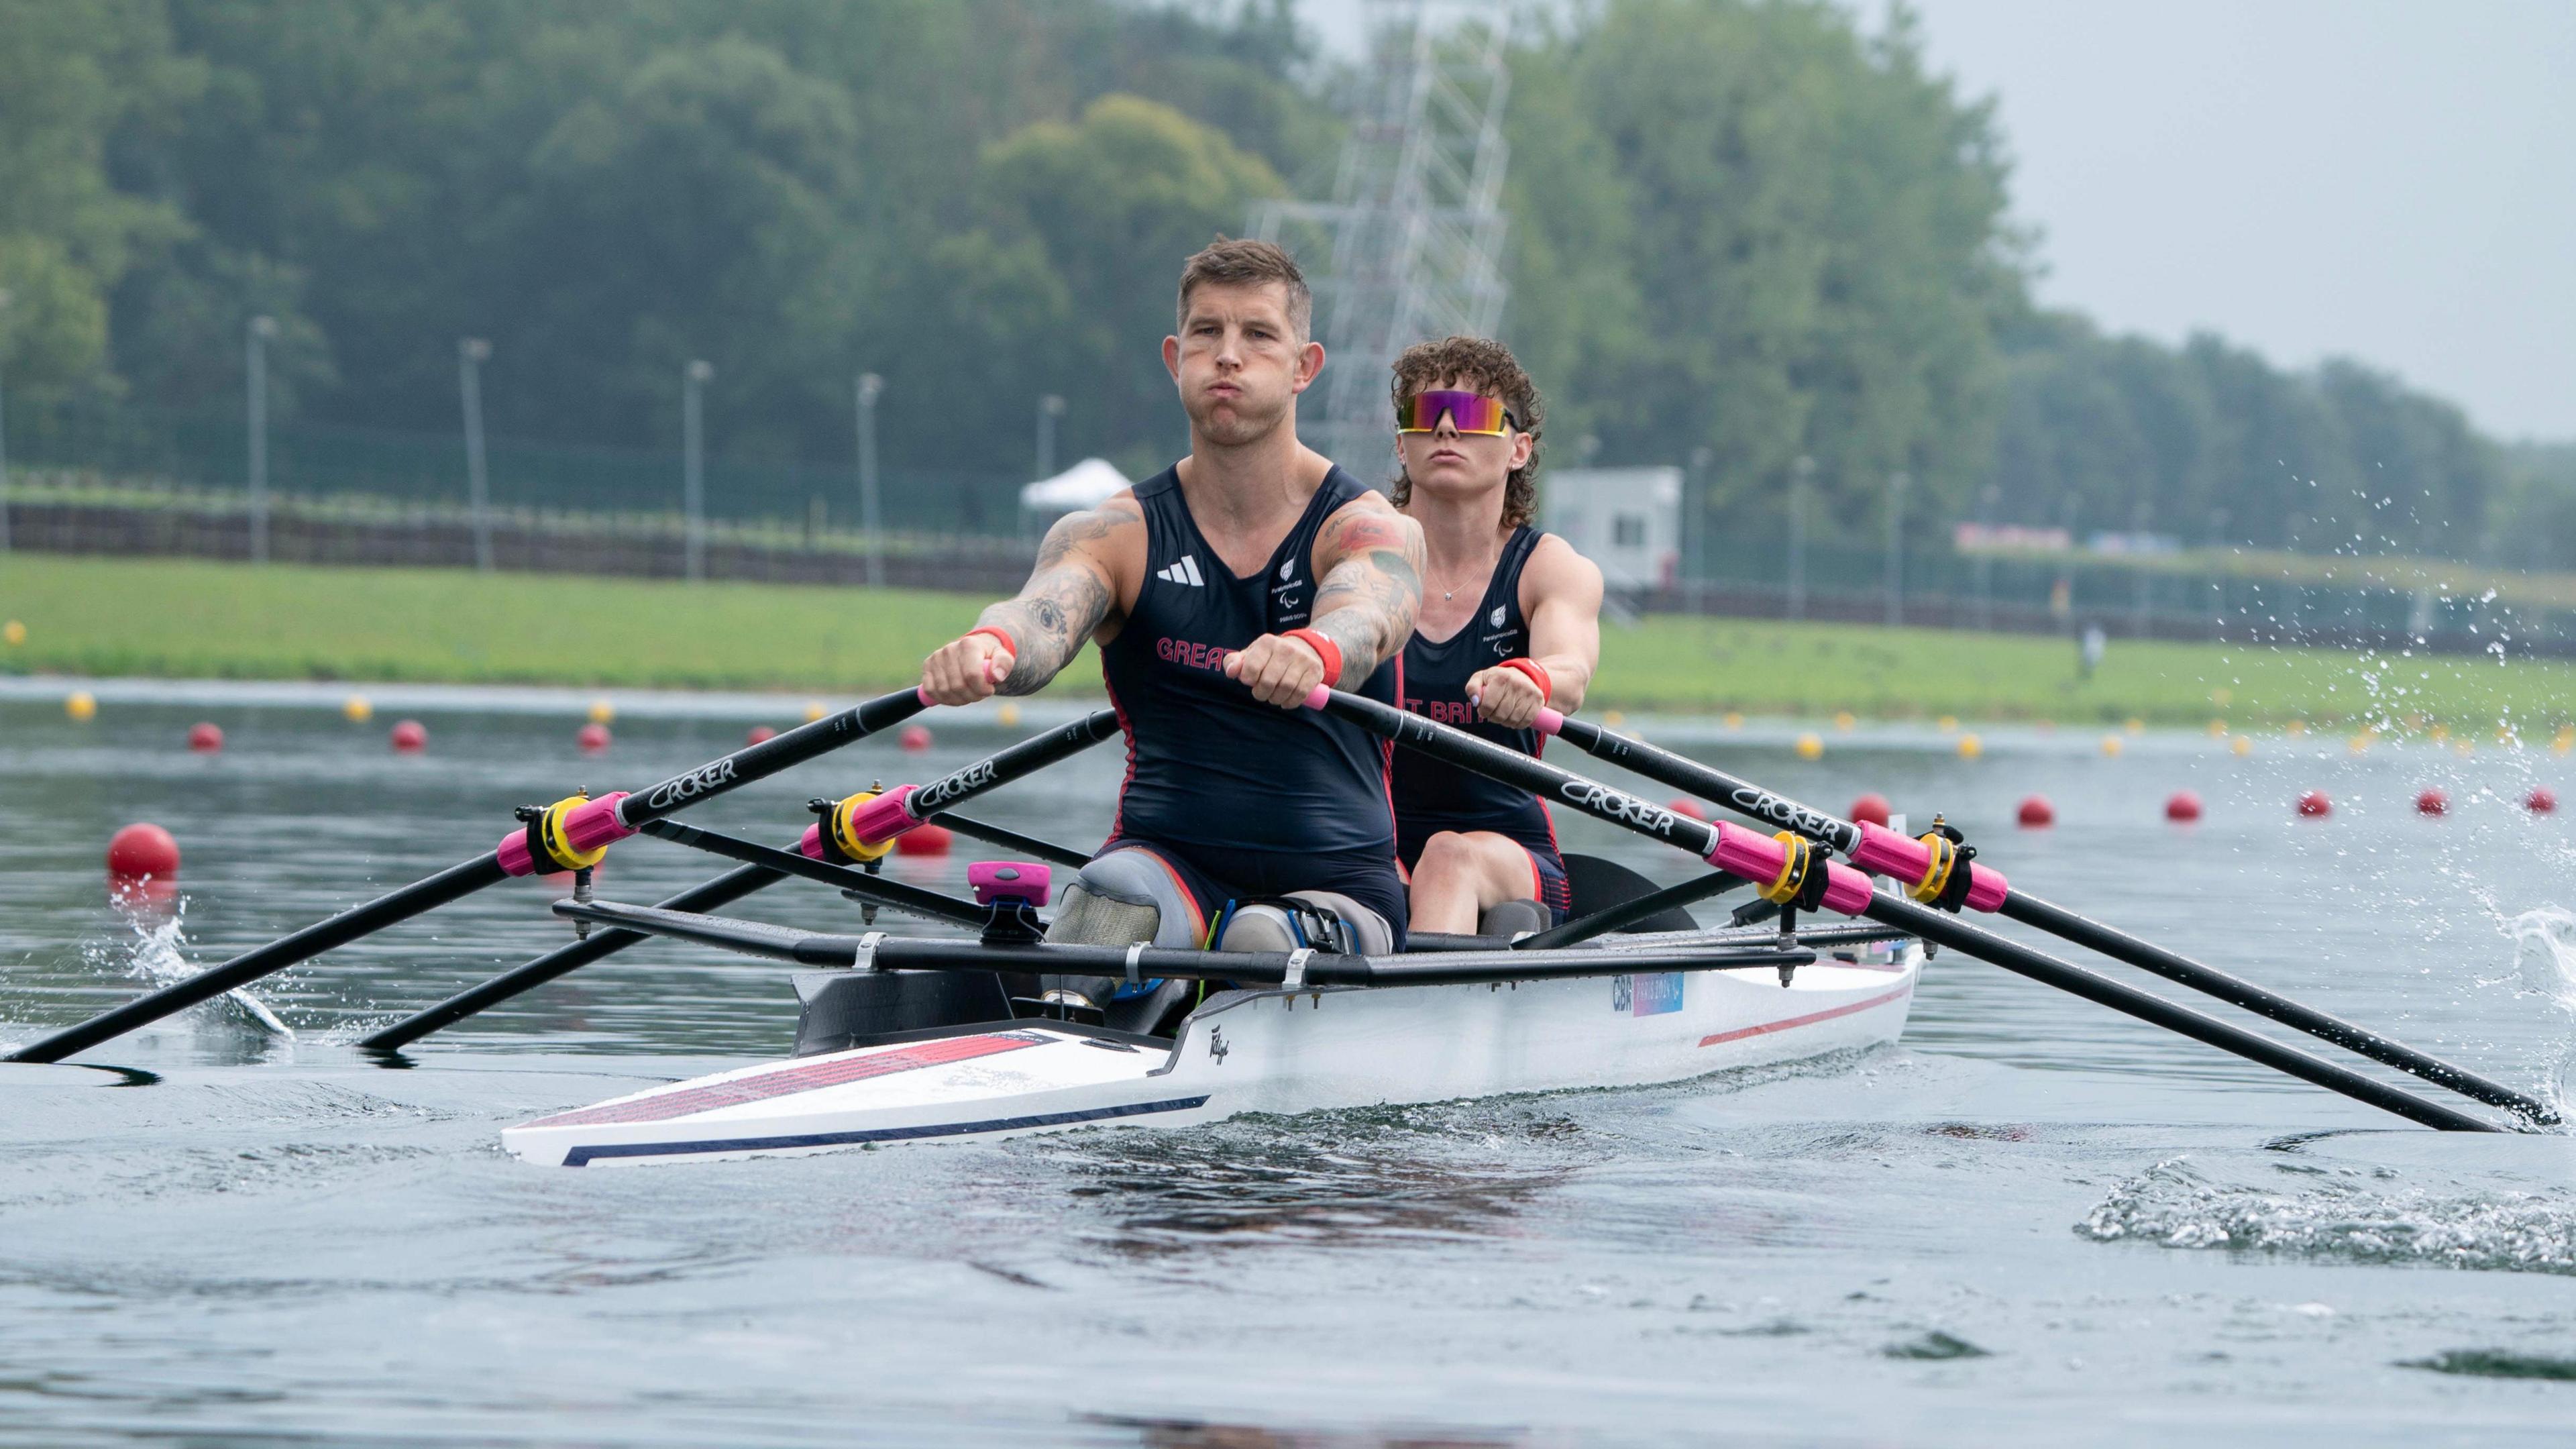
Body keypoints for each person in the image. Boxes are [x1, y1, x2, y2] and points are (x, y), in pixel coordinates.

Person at [917, 238, 1426, 1018]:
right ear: (1173, 356)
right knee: (1103, 910)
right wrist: (993, 647)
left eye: (1258, 335)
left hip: (1339, 881)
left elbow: (1373, 610)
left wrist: (1314, 649)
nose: (1228, 356)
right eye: (1205, 333)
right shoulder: (1117, 532)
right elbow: (1043, 610)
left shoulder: (1363, 525)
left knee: (1262, 943)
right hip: (1166, 863)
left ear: (1304, 366)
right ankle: (1101, 1023)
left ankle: (1198, 997)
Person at [1383, 337, 1603, 936]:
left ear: (1518, 449)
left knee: (1449, 858)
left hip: (1508, 852)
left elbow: (1571, 673)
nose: (1448, 429)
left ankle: (1425, 1015)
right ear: (1403, 446)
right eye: (1425, 416)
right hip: (1372, 839)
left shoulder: (1548, 568)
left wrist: (1530, 678)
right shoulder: (1358, 552)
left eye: (1474, 415)